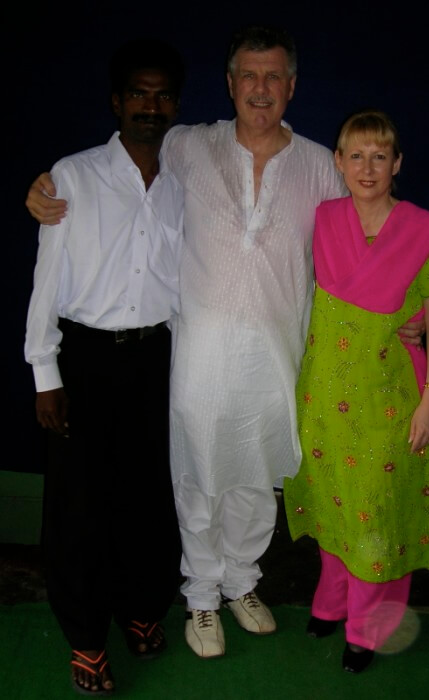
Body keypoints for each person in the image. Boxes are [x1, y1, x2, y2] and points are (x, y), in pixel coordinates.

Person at [25, 27, 423, 661]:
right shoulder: (187, 144)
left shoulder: (322, 166)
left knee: (257, 480)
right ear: (231, 84)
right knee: (196, 480)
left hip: (278, 357)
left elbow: (373, 224)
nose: (261, 89)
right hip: (197, 358)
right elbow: (124, 157)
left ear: (292, 86)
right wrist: (46, 188)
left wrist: (407, 307)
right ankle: (202, 594)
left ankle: (241, 581)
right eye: (249, 76)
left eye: (274, 77)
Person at [24, 40, 184, 694]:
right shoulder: (72, 176)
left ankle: (141, 607)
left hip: (155, 359)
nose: (151, 105)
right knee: (79, 506)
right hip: (85, 358)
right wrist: (46, 374)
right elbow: (46, 280)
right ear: (117, 102)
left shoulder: (180, 185)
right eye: (138, 93)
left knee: (147, 498)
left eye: (162, 94)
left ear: (175, 104)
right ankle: (86, 636)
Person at [284, 109, 429, 674]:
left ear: (397, 163)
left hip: (388, 400)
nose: (367, 168)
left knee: (375, 514)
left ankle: (367, 626)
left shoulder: (421, 232)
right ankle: (331, 601)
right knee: (335, 503)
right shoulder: (323, 219)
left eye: (379, 156)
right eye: (355, 155)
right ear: (338, 162)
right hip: (322, 398)